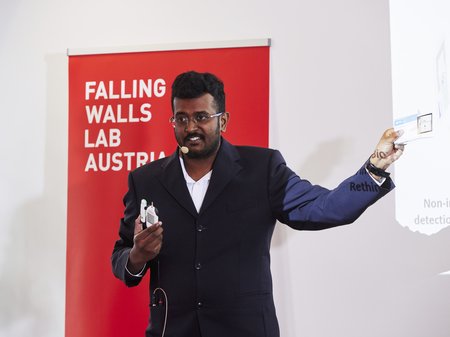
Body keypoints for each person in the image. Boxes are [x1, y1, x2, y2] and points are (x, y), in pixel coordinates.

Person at [111, 71, 404, 337]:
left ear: (222, 120)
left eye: (201, 116)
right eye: (181, 118)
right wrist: (138, 256)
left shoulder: (262, 169)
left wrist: (374, 169)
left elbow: (324, 208)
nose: (190, 127)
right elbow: (121, 255)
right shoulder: (145, 180)